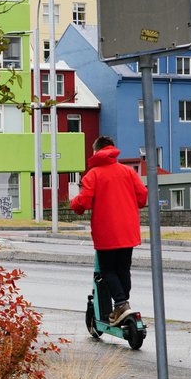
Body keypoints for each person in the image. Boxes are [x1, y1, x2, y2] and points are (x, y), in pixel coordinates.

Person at [69, 135, 148, 324]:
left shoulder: (93, 175)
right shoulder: (128, 172)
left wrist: (75, 204)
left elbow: (84, 202)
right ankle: (122, 306)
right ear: (112, 149)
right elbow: (142, 197)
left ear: (96, 152)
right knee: (123, 269)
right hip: (128, 231)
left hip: (106, 231)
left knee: (107, 270)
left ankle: (121, 304)